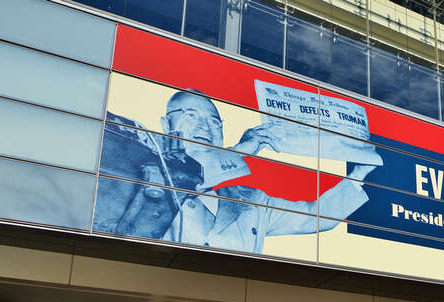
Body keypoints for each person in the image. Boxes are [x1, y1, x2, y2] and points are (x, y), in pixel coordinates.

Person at [95, 89, 377, 254]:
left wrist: (358, 174)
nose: (205, 127)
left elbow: (316, 217)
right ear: (165, 124)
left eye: (214, 122)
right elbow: (187, 178)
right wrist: (246, 149)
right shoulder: (137, 154)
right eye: (191, 116)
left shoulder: (251, 200)